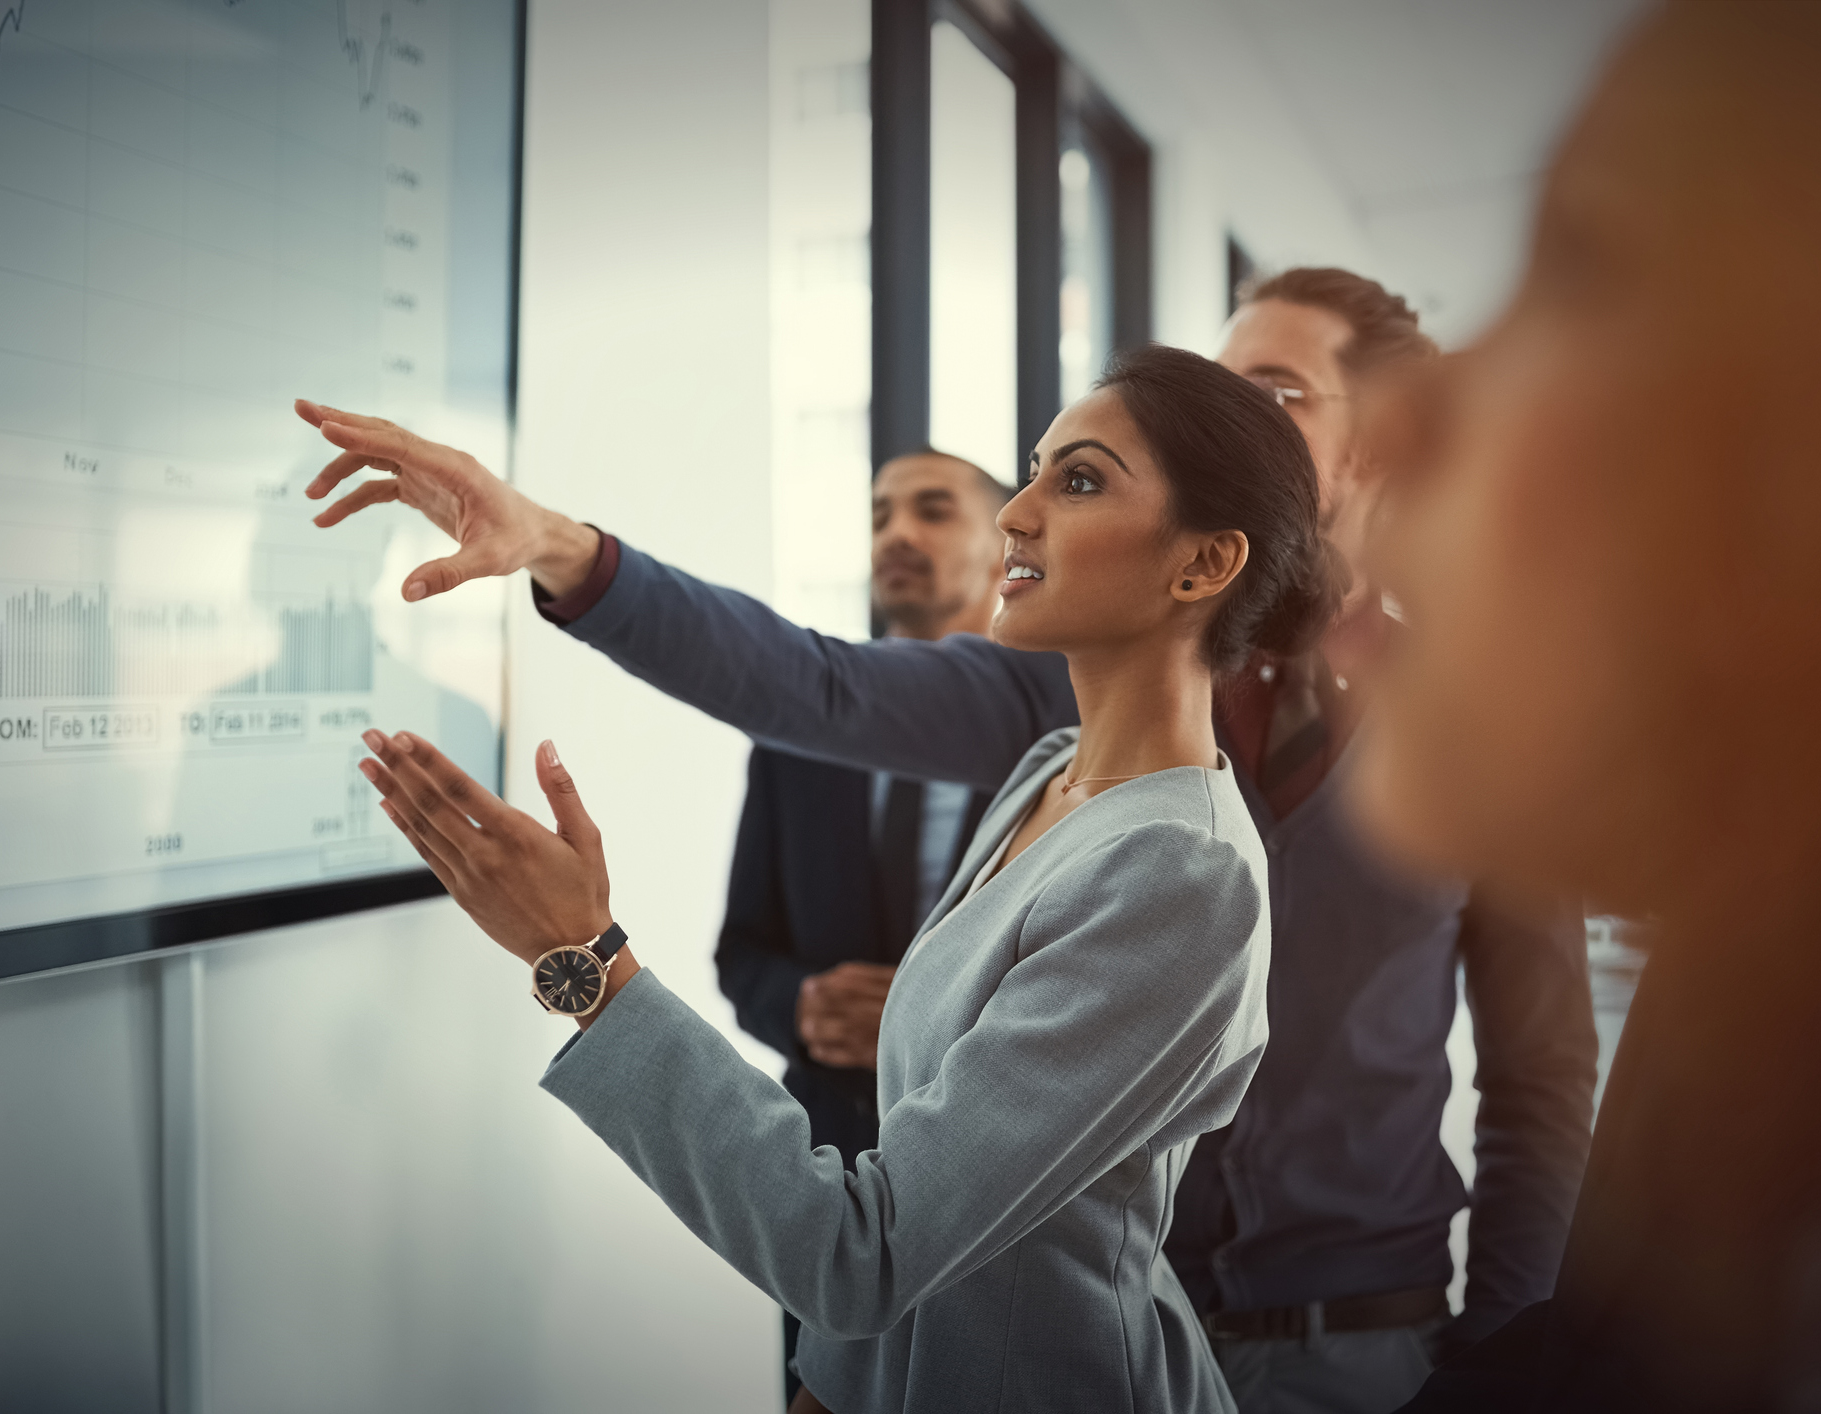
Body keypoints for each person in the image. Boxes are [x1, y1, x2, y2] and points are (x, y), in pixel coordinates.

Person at [293, 267, 1598, 1414]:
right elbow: (814, 688)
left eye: (1269, 385)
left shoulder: (1417, 748)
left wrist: (1501, 1357)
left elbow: (1538, 1079)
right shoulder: (1048, 749)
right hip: (1104, 1318)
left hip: (1352, 1335)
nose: (1012, 517)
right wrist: (560, 547)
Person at [1336, 3, 1821, 1409]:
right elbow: (1612, 1345)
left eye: (1580, 261)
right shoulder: (1750, 1016)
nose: (1389, 427)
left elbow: (1531, 1094)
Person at [717, 450, 1005, 1402]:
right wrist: (798, 1005)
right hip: (824, 1181)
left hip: (999, 1192)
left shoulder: (1067, 734)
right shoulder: (797, 736)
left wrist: (936, 1014)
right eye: (881, 513)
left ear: (1007, 546)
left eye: (931, 510)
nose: (896, 535)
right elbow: (742, 951)